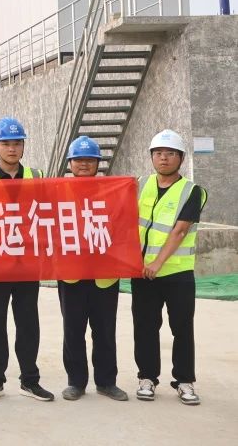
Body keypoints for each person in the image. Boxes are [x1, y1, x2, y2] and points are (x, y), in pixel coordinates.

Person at [0, 117, 54, 402]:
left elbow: (48, 215)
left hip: (27, 262)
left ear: (23, 146)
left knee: (28, 322)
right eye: (6, 143)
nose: (12, 148)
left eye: (17, 143)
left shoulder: (37, 175)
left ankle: (30, 379)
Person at [132, 129, 207, 405]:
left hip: (177, 273)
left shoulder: (193, 191)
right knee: (145, 328)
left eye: (170, 153)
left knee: (182, 328)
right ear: (152, 157)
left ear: (181, 158)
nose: (163, 158)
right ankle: (147, 378)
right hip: (143, 273)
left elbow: (180, 230)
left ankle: (185, 381)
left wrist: (157, 262)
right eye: (158, 153)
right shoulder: (141, 185)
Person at [58, 136, 127, 402]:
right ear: (70, 163)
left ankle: (107, 382)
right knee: (73, 331)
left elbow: (122, 226)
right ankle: (76, 382)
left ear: (98, 163)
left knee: (105, 331)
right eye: (79, 160)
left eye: (90, 160)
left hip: (104, 275)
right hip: (71, 273)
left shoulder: (113, 190)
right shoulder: (58, 191)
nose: (84, 164)